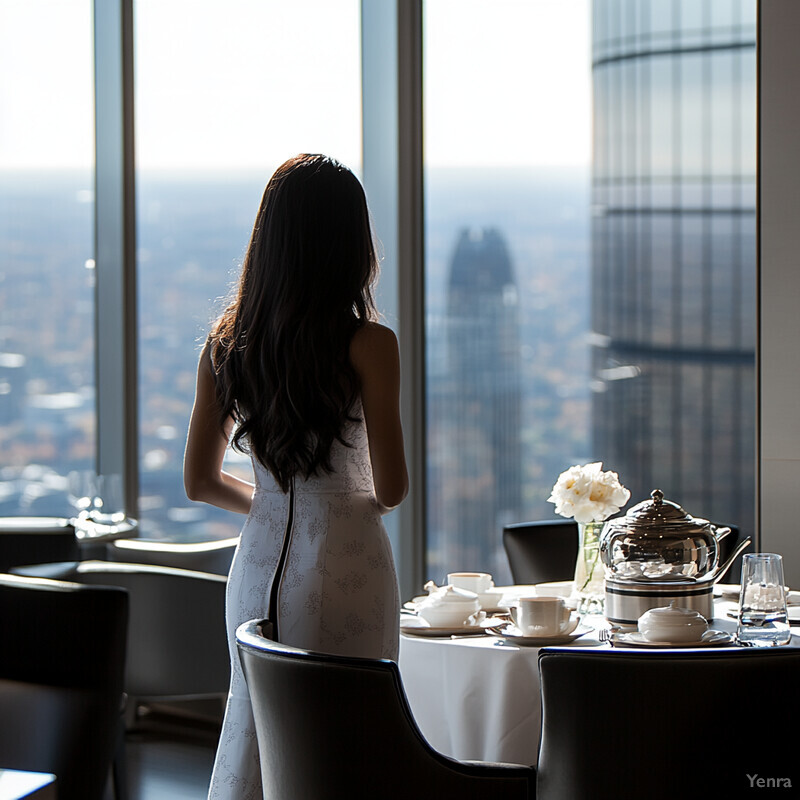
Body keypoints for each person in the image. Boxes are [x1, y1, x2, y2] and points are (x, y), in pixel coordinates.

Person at [183, 154, 408, 799]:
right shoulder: (370, 344)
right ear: (352, 246)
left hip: (255, 568)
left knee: (255, 728)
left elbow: (200, 482)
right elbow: (390, 490)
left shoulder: (227, 346)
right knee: (341, 740)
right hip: (346, 565)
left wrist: (274, 505)